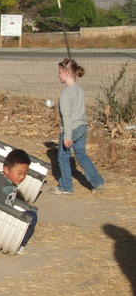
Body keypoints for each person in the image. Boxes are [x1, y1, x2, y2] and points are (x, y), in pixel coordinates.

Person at [49, 58, 105, 195]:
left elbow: (67, 117)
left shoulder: (65, 94)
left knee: (63, 157)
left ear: (67, 73)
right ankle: (97, 182)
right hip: (82, 127)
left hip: (71, 129)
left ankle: (66, 187)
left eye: (60, 72)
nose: (58, 75)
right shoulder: (79, 89)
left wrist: (67, 136)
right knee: (81, 155)